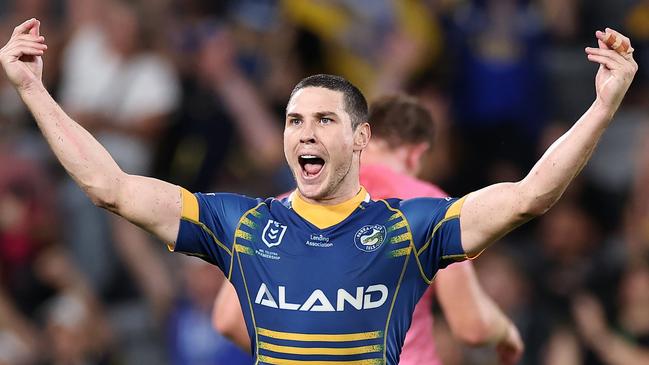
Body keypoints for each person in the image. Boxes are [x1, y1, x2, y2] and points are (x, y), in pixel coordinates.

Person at [0, 18, 637, 364]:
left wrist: (604, 107)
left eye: (324, 119)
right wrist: (32, 90)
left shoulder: (408, 230)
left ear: (361, 140)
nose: (305, 132)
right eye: (294, 120)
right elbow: (109, 187)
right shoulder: (242, 225)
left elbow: (530, 196)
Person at [212, 94, 524, 365]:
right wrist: (506, 332)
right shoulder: (425, 202)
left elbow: (228, 319)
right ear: (417, 153)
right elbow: (471, 325)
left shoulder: (287, 204)